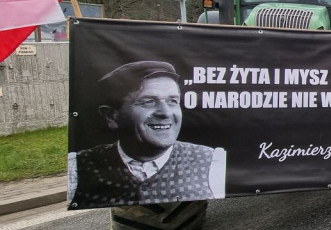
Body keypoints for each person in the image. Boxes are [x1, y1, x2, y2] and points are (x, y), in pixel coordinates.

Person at [68, 61, 226, 209]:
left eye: (173, 101)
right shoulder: (79, 166)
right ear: (111, 116)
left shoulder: (210, 160)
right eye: (148, 101)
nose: (165, 113)